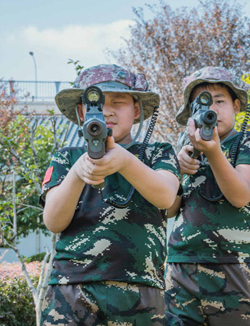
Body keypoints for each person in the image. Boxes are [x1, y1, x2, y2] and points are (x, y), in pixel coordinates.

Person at [40, 64, 181, 325]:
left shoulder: (157, 153)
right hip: (71, 288)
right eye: (96, 104)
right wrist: (76, 173)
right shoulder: (66, 157)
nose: (107, 110)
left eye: (119, 101)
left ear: (136, 109)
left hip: (140, 288)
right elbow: (53, 221)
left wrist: (125, 161)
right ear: (82, 112)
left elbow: (166, 197)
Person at [165, 66, 250, 325]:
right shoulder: (186, 149)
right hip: (182, 265)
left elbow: (240, 196)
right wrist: (177, 173)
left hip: (232, 265)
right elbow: (169, 210)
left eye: (220, 101)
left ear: (236, 105)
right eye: (202, 104)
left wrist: (213, 152)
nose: (211, 109)